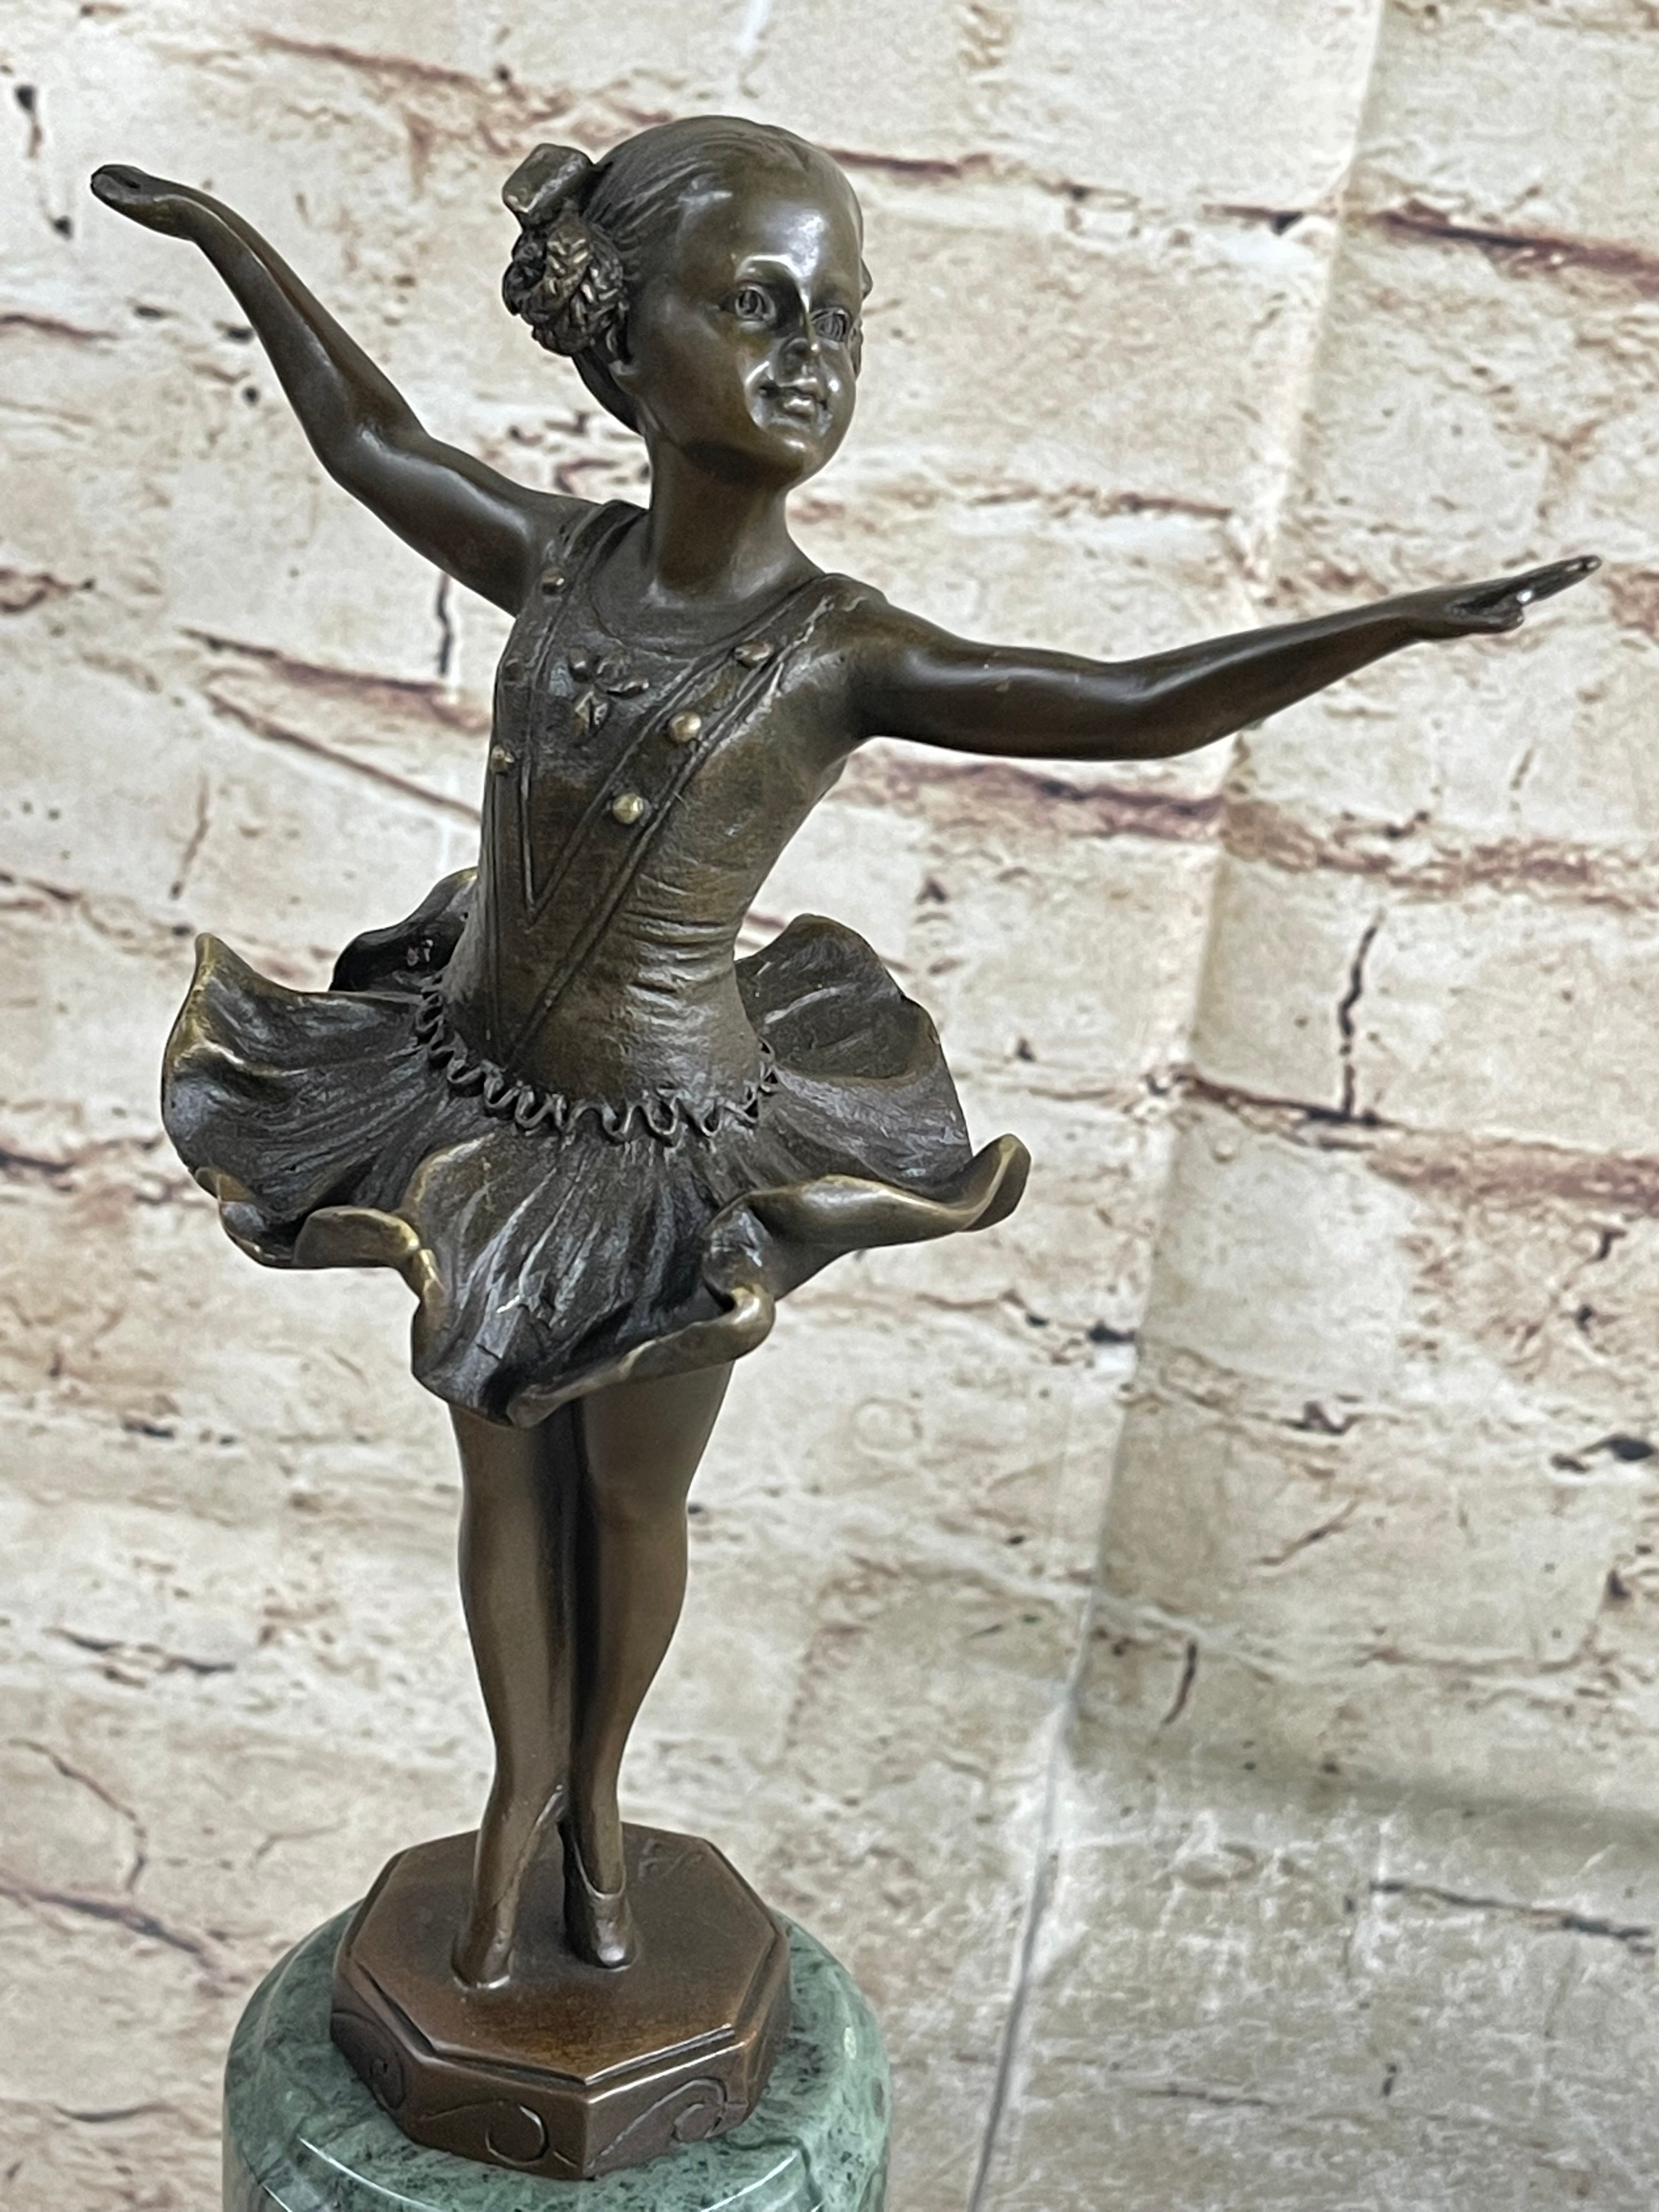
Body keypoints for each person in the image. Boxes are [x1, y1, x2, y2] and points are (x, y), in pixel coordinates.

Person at [89, 116, 1593, 1984]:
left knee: (628, 1493)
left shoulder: (837, 649)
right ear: (626, 336)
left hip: (671, 1148)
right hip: (468, 1108)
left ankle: (600, 1814)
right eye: (758, 305)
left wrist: (1386, 625)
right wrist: (227, 232)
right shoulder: (557, 560)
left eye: (843, 319)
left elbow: (1126, 707)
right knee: (502, 1472)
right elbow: (373, 440)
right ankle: (514, 1799)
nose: (812, 353)